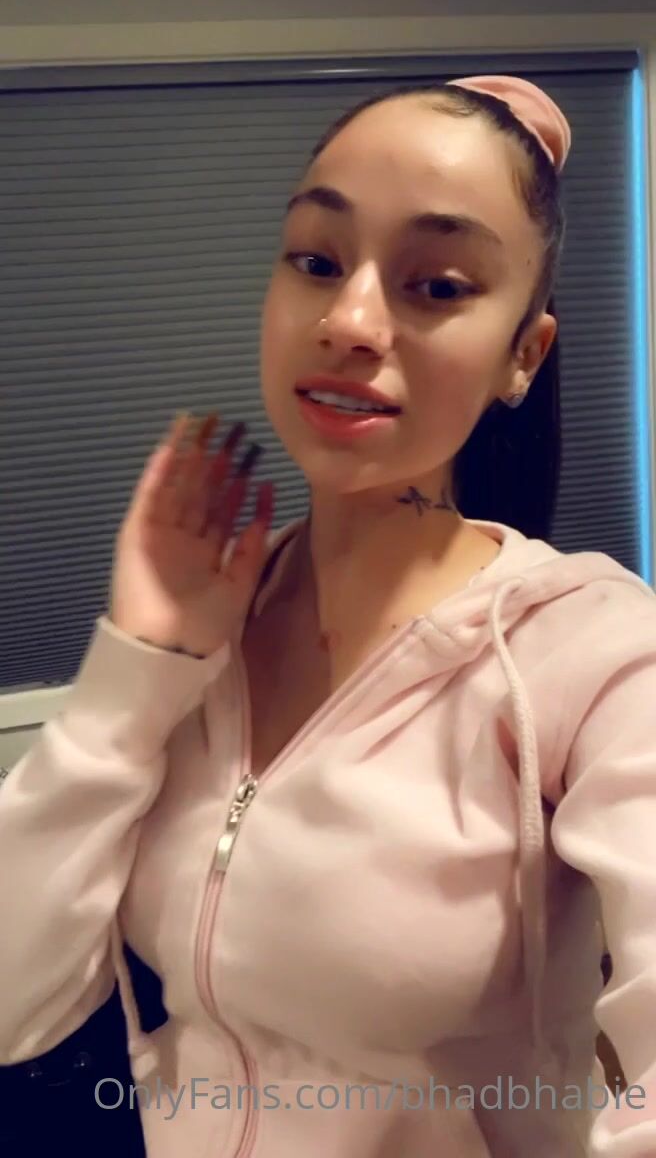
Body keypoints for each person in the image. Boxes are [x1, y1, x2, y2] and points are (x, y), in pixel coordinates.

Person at [0, 74, 655, 1158]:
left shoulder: (590, 650)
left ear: (523, 355)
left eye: (436, 284)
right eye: (315, 260)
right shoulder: (212, 620)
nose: (349, 321)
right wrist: (140, 665)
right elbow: (14, 1006)